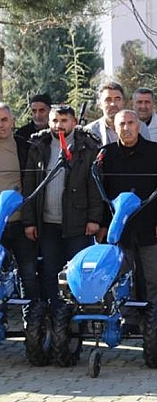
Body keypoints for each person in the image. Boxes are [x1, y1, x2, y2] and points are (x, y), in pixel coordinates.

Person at [22, 105, 103, 308]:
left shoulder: (87, 148)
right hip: (47, 223)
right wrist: (29, 221)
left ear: (74, 122)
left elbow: (94, 187)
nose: (59, 125)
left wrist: (94, 219)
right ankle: (55, 311)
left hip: (78, 223)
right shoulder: (39, 146)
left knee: (77, 271)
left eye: (64, 120)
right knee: (50, 270)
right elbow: (30, 186)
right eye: (55, 120)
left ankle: (76, 313)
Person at [99, 110, 157, 315]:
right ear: (114, 127)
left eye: (131, 123)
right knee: (122, 276)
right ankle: (127, 319)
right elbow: (101, 193)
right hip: (119, 228)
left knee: (155, 277)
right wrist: (104, 225)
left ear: (138, 125)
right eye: (121, 124)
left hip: (151, 226)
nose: (126, 128)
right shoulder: (106, 155)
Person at [0, 103, 38, 318]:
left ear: (13, 122)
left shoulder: (25, 147)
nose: (1, 125)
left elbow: (32, 184)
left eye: (5, 120)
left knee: (27, 274)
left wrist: (30, 220)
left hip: (21, 223)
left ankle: (31, 321)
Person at [85, 82, 150, 146]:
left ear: (123, 102)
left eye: (117, 99)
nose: (113, 104)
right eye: (108, 100)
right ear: (100, 104)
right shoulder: (90, 131)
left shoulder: (140, 127)